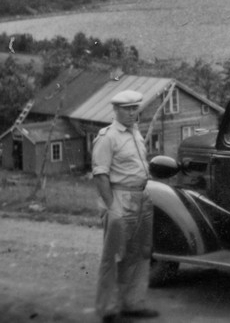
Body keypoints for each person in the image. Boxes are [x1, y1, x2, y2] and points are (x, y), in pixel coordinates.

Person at [92, 89, 159, 322]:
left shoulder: (135, 133)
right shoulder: (107, 137)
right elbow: (100, 175)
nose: (132, 113)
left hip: (142, 197)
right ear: (116, 110)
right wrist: (112, 207)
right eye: (127, 109)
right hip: (120, 198)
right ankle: (107, 308)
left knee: (140, 253)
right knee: (113, 256)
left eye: (135, 108)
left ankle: (132, 303)